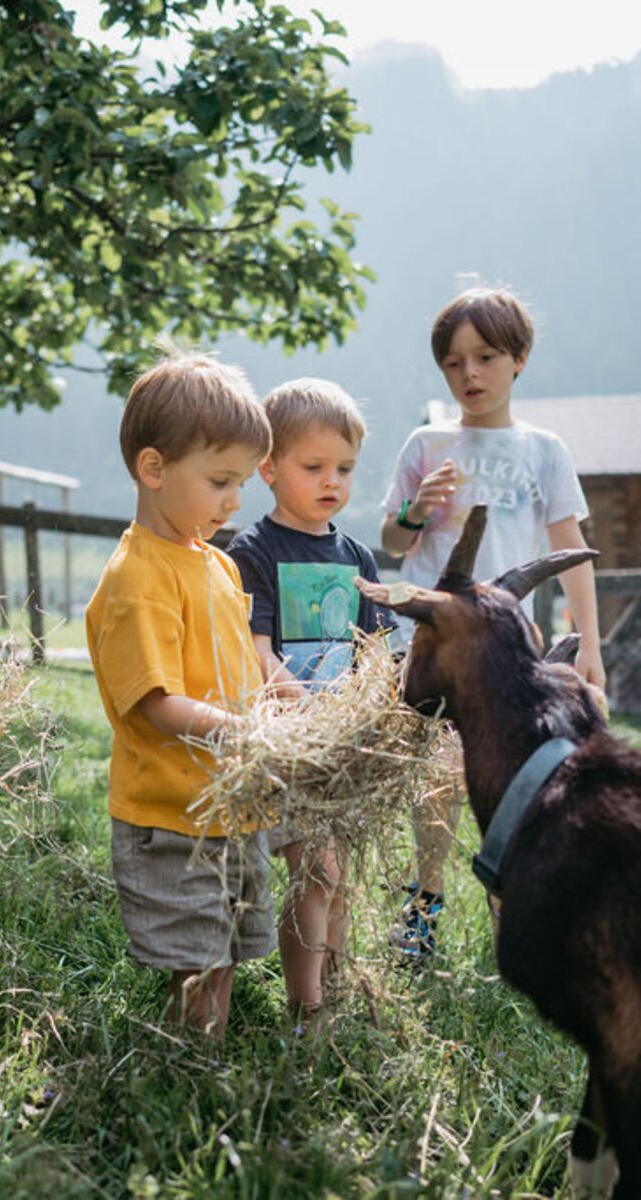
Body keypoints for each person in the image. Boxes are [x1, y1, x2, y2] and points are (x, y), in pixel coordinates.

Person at [380, 285, 606, 963]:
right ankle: (423, 907)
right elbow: (391, 543)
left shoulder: (544, 450)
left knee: (515, 782)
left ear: (520, 360)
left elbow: (573, 547)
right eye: (453, 362)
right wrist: (417, 509)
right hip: (437, 652)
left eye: (485, 357)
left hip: (510, 656)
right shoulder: (426, 443)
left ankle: (511, 910)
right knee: (438, 783)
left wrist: (589, 643)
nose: (469, 374)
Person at [86, 351, 275, 1039]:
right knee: (194, 953)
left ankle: (207, 1048)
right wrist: (247, 733)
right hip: (172, 813)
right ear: (155, 468)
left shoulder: (215, 562)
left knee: (224, 945)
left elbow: (238, 666)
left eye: (243, 483)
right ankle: (188, 1069)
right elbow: (155, 704)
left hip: (231, 801)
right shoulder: (138, 578)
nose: (234, 502)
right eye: (220, 481)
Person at [228, 378, 394, 1024]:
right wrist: (307, 706)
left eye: (345, 468)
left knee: (338, 877)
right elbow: (255, 650)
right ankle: (308, 1006)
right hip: (288, 746)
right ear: (268, 468)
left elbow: (375, 652)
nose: (333, 481)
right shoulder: (253, 551)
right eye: (314, 466)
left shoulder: (355, 556)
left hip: (343, 749)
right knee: (313, 873)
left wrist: (373, 706)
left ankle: (339, 980)